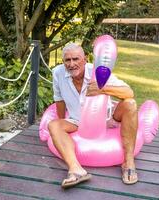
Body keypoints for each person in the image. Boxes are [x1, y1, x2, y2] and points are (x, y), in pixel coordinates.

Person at [48, 43, 138, 189]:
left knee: (131, 104)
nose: (71, 64)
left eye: (76, 59)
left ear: (85, 59)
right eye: (67, 60)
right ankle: (76, 170)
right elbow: (59, 100)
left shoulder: (99, 72)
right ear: (63, 61)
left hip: (106, 120)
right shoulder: (58, 72)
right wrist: (61, 124)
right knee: (53, 125)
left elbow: (129, 93)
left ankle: (128, 162)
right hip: (76, 121)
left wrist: (103, 88)